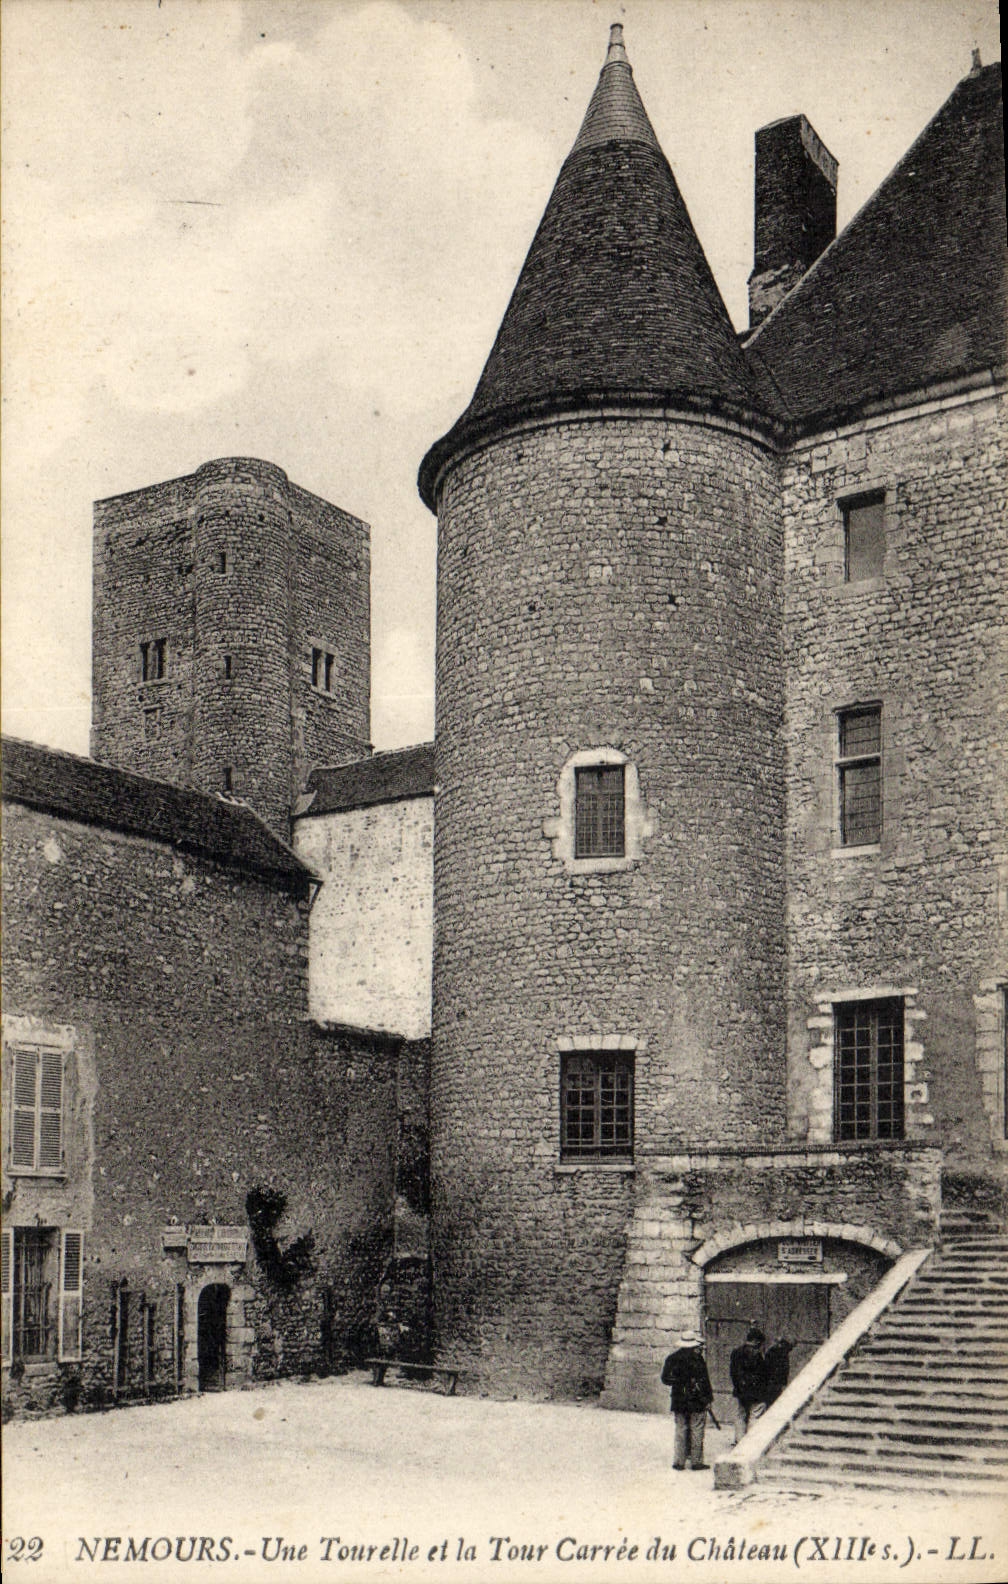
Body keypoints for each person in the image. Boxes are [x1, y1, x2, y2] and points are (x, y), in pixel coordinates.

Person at [660, 1329, 714, 1470]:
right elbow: (704, 1381)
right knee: (697, 1430)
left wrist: (679, 1382)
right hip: (697, 1399)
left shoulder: (672, 1358)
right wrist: (708, 1399)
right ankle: (696, 1462)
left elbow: (665, 1379)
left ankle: (679, 1462)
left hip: (679, 1398)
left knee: (680, 1429)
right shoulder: (698, 1360)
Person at [729, 1325, 767, 1443]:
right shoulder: (756, 1354)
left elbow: (733, 1372)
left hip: (740, 1390)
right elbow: (761, 1373)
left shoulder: (736, 1352)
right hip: (754, 1391)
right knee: (755, 1415)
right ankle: (751, 1442)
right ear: (756, 1341)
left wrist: (737, 1386)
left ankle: (739, 1440)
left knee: (740, 1415)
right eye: (760, 1343)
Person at [763, 1336, 794, 1406]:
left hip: (774, 1382)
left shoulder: (773, 1352)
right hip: (774, 1382)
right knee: (773, 1400)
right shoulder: (776, 1353)